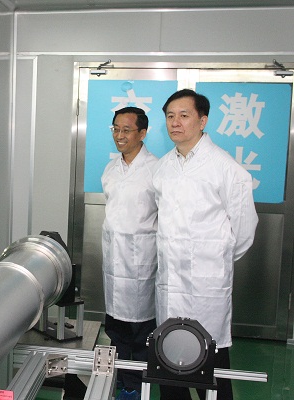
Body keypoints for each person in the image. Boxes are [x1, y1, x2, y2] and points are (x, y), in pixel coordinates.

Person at [153, 89, 258, 400]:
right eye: (170, 116)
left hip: (206, 286)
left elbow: (244, 230)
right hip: (170, 284)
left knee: (211, 367)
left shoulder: (226, 168)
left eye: (184, 115)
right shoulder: (163, 166)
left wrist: (214, 258)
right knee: (168, 364)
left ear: (202, 121)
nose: (175, 122)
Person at [101, 107, 158, 400]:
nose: (119, 135)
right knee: (115, 327)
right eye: (115, 129)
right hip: (114, 261)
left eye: (126, 130)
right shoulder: (111, 169)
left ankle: (138, 386)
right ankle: (122, 381)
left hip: (142, 262)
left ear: (142, 133)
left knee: (141, 331)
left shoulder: (156, 170)